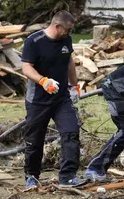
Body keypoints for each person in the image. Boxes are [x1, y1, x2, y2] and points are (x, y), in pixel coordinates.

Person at [21, 11, 85, 191]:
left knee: (71, 131)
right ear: (57, 26)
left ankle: (68, 177)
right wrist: (43, 80)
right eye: (68, 29)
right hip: (38, 101)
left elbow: (69, 61)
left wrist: (75, 85)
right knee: (34, 140)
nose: (70, 33)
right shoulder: (34, 41)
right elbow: (26, 67)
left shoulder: (66, 40)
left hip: (61, 99)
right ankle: (32, 176)